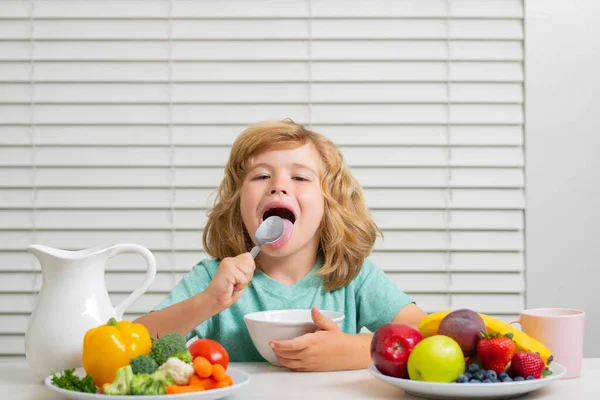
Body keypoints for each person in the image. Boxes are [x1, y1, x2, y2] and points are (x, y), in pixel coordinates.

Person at [134, 119, 427, 372]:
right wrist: (208, 301)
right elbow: (134, 343)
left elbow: (425, 336)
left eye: (300, 177)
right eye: (261, 176)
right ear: (237, 203)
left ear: (329, 205)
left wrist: (352, 351)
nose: (278, 186)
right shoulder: (214, 279)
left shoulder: (354, 278)